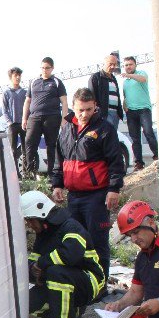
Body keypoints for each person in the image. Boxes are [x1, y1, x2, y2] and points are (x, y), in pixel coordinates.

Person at [50, 87, 124, 287]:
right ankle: (82, 283)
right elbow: (59, 159)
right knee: (75, 242)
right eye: (81, 110)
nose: (85, 114)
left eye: (89, 110)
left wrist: (114, 189)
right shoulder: (66, 128)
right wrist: (57, 184)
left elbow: (116, 162)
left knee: (97, 243)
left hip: (97, 197)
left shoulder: (104, 129)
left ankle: (100, 286)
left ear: (95, 107)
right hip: (74, 197)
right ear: (73, 107)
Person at [23, 191, 104, 318]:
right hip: (65, 277)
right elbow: (33, 261)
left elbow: (70, 255)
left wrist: (41, 264)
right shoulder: (44, 234)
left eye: (29, 220)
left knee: (56, 272)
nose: (29, 225)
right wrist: (33, 271)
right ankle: (71, 307)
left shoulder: (71, 227)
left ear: (41, 215)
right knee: (26, 305)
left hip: (90, 280)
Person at [22, 57, 68, 177]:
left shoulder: (57, 82)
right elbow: (27, 101)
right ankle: (29, 172)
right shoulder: (33, 82)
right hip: (34, 117)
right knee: (29, 142)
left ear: (52, 68)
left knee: (51, 145)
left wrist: (64, 120)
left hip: (52, 117)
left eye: (47, 68)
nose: (44, 70)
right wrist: (24, 118)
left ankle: (52, 173)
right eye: (42, 67)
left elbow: (64, 102)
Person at [120, 57, 158, 170]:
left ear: (135, 65)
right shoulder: (125, 83)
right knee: (135, 138)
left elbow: (142, 79)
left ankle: (157, 155)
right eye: (126, 65)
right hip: (131, 112)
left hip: (144, 110)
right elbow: (125, 97)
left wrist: (129, 75)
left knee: (148, 132)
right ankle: (139, 162)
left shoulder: (141, 74)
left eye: (130, 64)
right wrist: (124, 107)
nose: (128, 67)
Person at [1, 67, 27, 172]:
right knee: (13, 150)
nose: (17, 77)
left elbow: (28, 108)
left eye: (19, 75)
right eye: (15, 75)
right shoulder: (6, 93)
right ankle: (15, 173)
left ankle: (26, 172)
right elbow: (4, 110)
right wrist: (10, 123)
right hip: (12, 125)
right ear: (10, 77)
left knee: (26, 150)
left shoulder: (25, 92)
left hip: (24, 124)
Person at [88, 54, 123, 129]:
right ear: (104, 63)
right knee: (106, 134)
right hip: (103, 113)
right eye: (110, 64)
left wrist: (119, 113)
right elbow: (91, 97)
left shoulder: (114, 79)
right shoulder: (96, 77)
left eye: (114, 64)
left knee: (113, 136)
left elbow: (117, 96)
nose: (113, 67)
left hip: (115, 113)